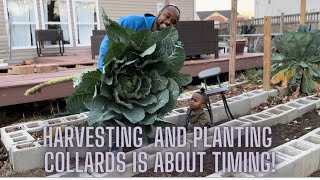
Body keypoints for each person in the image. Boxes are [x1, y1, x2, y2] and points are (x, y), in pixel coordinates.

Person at [97, 5, 181, 72]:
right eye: (167, 16)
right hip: (115, 70)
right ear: (159, 13)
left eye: (173, 21)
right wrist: (103, 70)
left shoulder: (166, 42)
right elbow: (107, 44)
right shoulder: (130, 22)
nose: (168, 21)